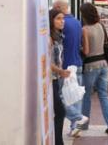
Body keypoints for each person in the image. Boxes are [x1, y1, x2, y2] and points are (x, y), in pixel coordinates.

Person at [52, 0, 88, 137]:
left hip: (65, 66)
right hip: (77, 62)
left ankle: (77, 118)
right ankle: (75, 127)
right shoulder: (77, 22)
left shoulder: (62, 24)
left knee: (62, 97)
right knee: (76, 96)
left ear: (58, 8)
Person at [80, 3, 108, 133]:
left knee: (86, 96)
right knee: (103, 95)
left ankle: (84, 124)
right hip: (103, 64)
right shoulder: (100, 26)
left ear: (84, 15)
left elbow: (86, 51)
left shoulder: (84, 29)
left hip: (91, 65)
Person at [48, 9, 69, 145]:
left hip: (57, 78)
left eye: (63, 18)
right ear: (51, 20)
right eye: (58, 19)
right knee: (60, 111)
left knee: (59, 111)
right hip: (51, 79)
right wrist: (60, 71)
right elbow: (46, 62)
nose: (62, 21)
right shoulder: (49, 38)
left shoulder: (59, 36)